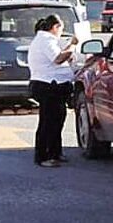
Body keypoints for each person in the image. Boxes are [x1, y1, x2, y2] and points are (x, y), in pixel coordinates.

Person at [27, 14, 79, 168]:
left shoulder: (46, 40)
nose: (61, 33)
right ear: (55, 27)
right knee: (48, 121)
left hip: (53, 85)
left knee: (58, 118)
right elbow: (57, 58)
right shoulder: (45, 40)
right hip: (47, 86)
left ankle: (55, 152)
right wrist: (72, 45)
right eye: (61, 29)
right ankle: (43, 156)